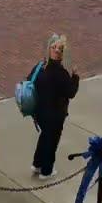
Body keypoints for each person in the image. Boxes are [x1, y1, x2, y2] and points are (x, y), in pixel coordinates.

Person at [31, 35, 79, 179]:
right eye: (56, 48)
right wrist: (75, 76)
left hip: (39, 112)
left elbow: (29, 81)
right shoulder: (61, 74)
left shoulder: (40, 67)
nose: (57, 50)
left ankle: (37, 164)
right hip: (55, 114)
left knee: (44, 136)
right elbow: (71, 92)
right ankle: (46, 171)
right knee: (51, 141)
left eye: (59, 48)